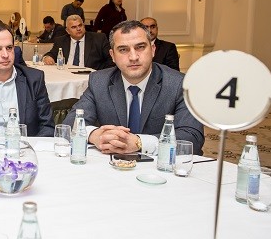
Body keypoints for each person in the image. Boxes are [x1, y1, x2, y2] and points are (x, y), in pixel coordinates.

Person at [63, 20, 204, 155]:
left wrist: (140, 142)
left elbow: (192, 138)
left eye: (140, 47)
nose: (133, 57)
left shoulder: (179, 84)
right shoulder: (99, 81)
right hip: (111, 165)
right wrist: (94, 135)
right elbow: (70, 124)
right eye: (123, 49)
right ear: (113, 56)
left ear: (153, 50)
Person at [42, 15, 113, 69]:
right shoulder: (61, 41)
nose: (78, 29)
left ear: (84, 26)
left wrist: (101, 74)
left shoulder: (99, 39)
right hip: (66, 75)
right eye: (74, 27)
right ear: (67, 31)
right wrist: (47, 57)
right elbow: (52, 54)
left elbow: (111, 59)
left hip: (90, 77)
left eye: (80, 25)